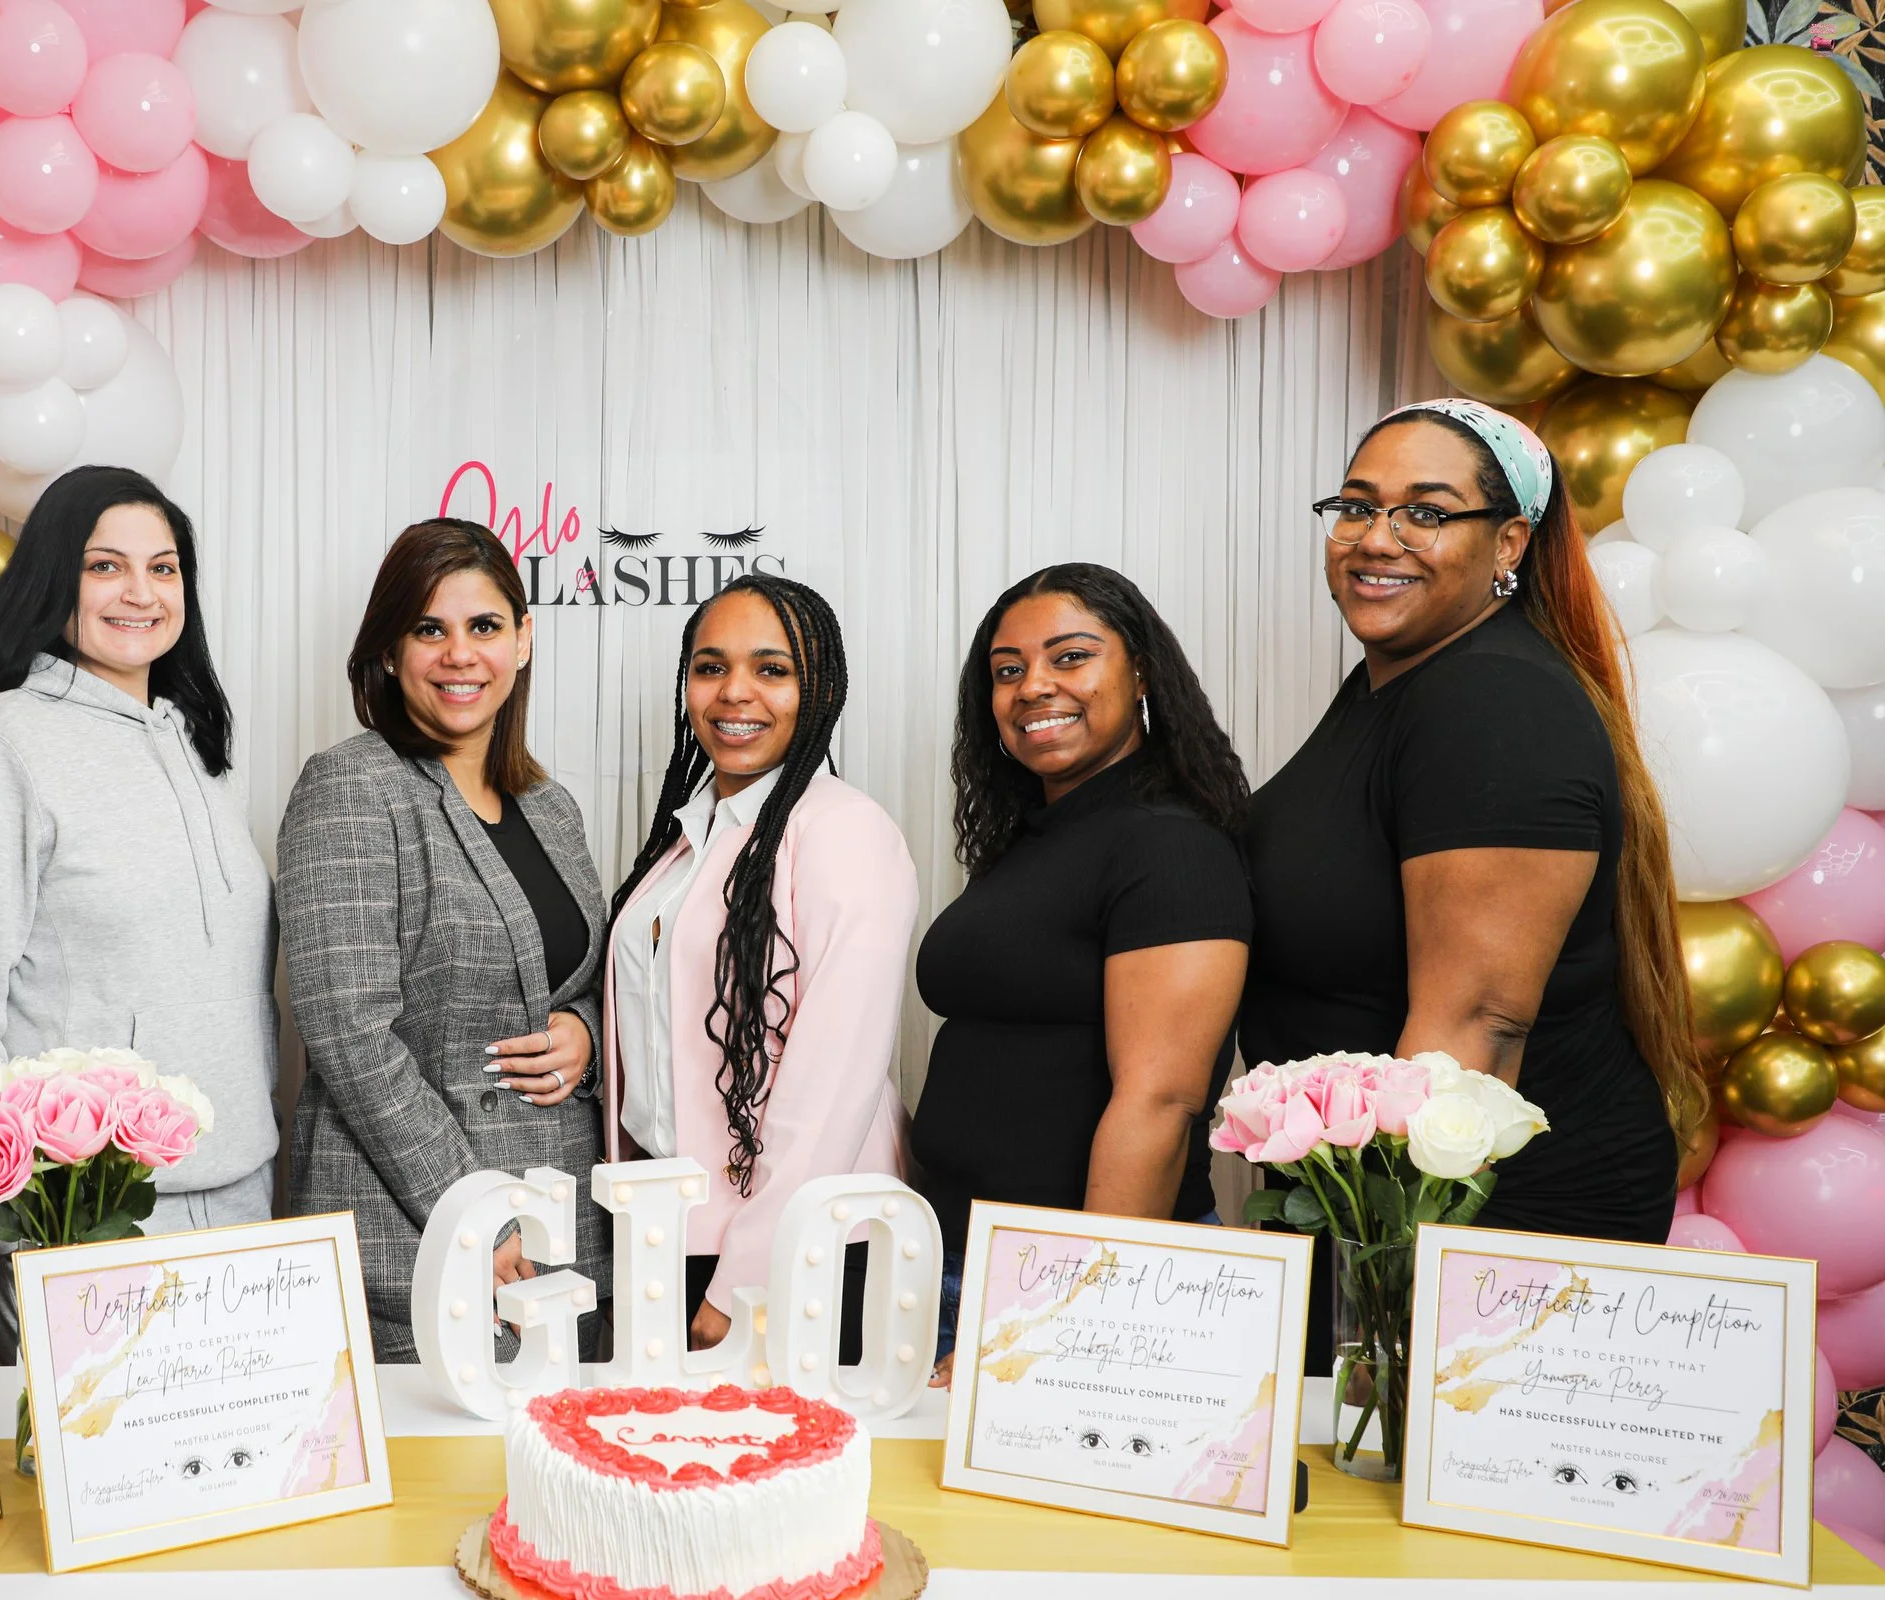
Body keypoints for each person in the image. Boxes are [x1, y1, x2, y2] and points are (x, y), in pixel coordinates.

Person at [1242, 399, 1698, 1255]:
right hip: (1382, 1204)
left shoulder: (1492, 702)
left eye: (1426, 511)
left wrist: (1389, 1279)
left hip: (1486, 1221)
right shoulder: (1399, 678)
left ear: (1509, 544)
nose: (1376, 537)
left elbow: (1476, 1028)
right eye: (1356, 506)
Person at [0, 467, 278, 1358]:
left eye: (165, 567)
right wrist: (15, 1220)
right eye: (106, 566)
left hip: (238, 1204)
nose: (141, 593)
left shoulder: (193, 743)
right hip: (82, 1223)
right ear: (53, 581)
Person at [279, 519, 608, 1362]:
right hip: (421, 1235)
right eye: (430, 628)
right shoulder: (352, 786)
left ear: (524, 640)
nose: (460, 653)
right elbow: (350, 1033)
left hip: (561, 1236)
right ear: (390, 651)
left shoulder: (551, 808)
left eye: (485, 626)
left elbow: (575, 984)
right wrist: (476, 1211)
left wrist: (586, 1036)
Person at [913, 565, 1252, 1378]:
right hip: (965, 1266)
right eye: (1008, 670)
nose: (1034, 686)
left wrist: (1061, 1321)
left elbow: (1161, 1101)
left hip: (1066, 1284)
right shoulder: (1043, 832)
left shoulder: (1168, 842)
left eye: (1070, 657)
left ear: (1140, 670)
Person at [604, 576, 918, 1364]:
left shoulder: (844, 830)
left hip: (794, 1251)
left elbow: (832, 1085)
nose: (735, 691)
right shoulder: (689, 839)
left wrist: (747, 1275)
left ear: (823, 688)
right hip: (672, 1236)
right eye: (710, 667)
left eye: (771, 669)